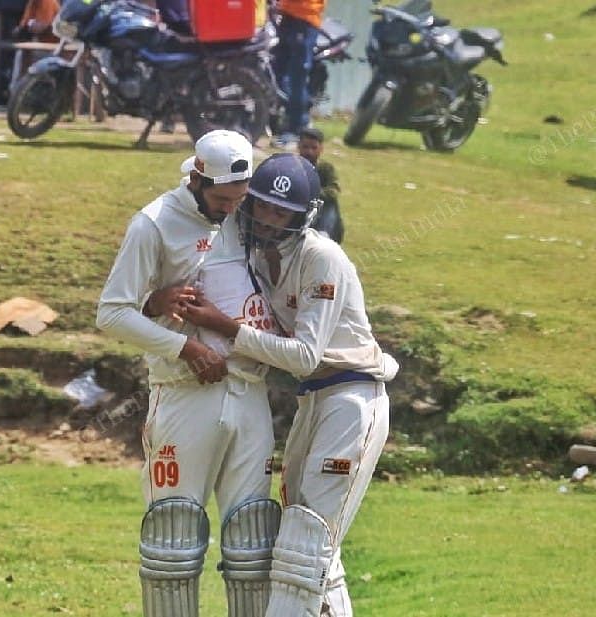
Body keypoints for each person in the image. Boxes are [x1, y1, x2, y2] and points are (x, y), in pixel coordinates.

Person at [181, 152, 398, 617]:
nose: (268, 219)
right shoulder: (256, 255)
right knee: (308, 545)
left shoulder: (322, 258)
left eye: (281, 213)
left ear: (303, 216)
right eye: (261, 207)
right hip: (314, 401)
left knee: (307, 541)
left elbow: (304, 356)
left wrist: (225, 327)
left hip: (353, 398)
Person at [96, 130, 281, 617]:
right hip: (184, 394)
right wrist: (186, 348)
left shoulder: (244, 214)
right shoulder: (153, 224)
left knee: (252, 540)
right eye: (221, 198)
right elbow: (112, 313)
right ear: (196, 178)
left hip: (250, 389)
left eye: (238, 199)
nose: (229, 209)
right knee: (173, 537)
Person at [272, 0, 326, 148]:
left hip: (305, 18)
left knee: (296, 79)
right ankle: (286, 122)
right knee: (278, 73)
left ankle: (297, 129)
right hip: (288, 16)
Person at [298, 127, 343, 243]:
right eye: (305, 147)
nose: (309, 152)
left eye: (314, 148)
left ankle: (324, 235)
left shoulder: (325, 168)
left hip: (319, 209)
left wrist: (312, 193)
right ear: (299, 146)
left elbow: (334, 190)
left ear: (321, 149)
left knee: (331, 204)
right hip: (297, 208)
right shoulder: (292, 166)